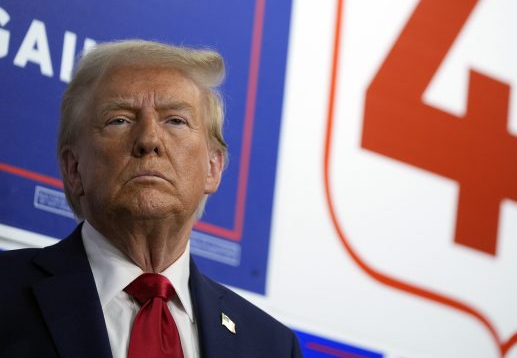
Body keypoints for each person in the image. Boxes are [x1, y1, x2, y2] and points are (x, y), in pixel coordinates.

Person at [0, 40, 302, 357]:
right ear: (74, 168)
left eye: (175, 120)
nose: (148, 139)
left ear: (213, 168)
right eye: (119, 120)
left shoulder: (273, 347)